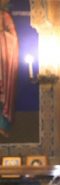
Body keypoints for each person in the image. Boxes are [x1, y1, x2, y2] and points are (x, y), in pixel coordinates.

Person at [0, 0, 19, 137]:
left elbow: (13, 37)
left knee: (3, 92)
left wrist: (1, 35)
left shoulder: (4, 16)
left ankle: (2, 125)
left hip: (3, 58)